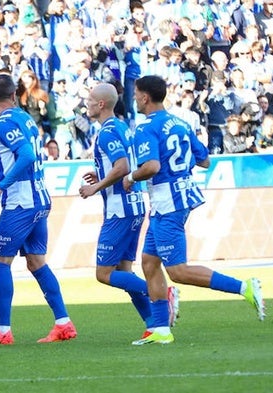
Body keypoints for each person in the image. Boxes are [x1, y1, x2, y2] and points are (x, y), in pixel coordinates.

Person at [122, 75, 266, 346]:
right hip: (179, 197)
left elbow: (151, 166)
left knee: (177, 271)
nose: (134, 99)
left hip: (168, 203)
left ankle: (245, 287)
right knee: (150, 263)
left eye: (136, 94)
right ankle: (161, 330)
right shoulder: (180, 123)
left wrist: (130, 177)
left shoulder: (145, 128)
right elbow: (205, 161)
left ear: (144, 97)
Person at [0, 74, 77, 345]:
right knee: (37, 262)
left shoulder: (2, 124)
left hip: (20, 204)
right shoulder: (25, 118)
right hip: (39, 200)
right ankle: (63, 323)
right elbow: (12, 160)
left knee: (1, 263)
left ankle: (2, 330)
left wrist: (1, 186)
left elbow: (25, 156)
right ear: (14, 95)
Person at [78, 83, 179, 337]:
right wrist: (101, 174)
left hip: (119, 210)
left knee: (104, 273)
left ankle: (159, 291)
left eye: (90, 100)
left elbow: (122, 167)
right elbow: (122, 163)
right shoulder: (122, 127)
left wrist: (97, 187)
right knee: (124, 271)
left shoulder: (107, 132)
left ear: (101, 104)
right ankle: (153, 324)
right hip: (133, 206)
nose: (86, 104)